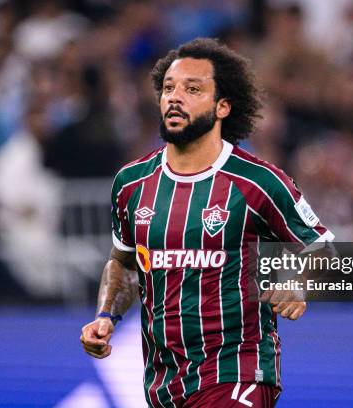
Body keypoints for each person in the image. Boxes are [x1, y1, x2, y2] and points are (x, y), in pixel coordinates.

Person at [80, 38, 334, 408]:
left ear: (223, 107)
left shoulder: (258, 182)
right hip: (164, 381)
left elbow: (324, 248)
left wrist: (298, 284)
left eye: (192, 88)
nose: (175, 97)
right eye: (168, 88)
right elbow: (123, 263)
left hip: (238, 371)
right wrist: (106, 316)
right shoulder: (131, 183)